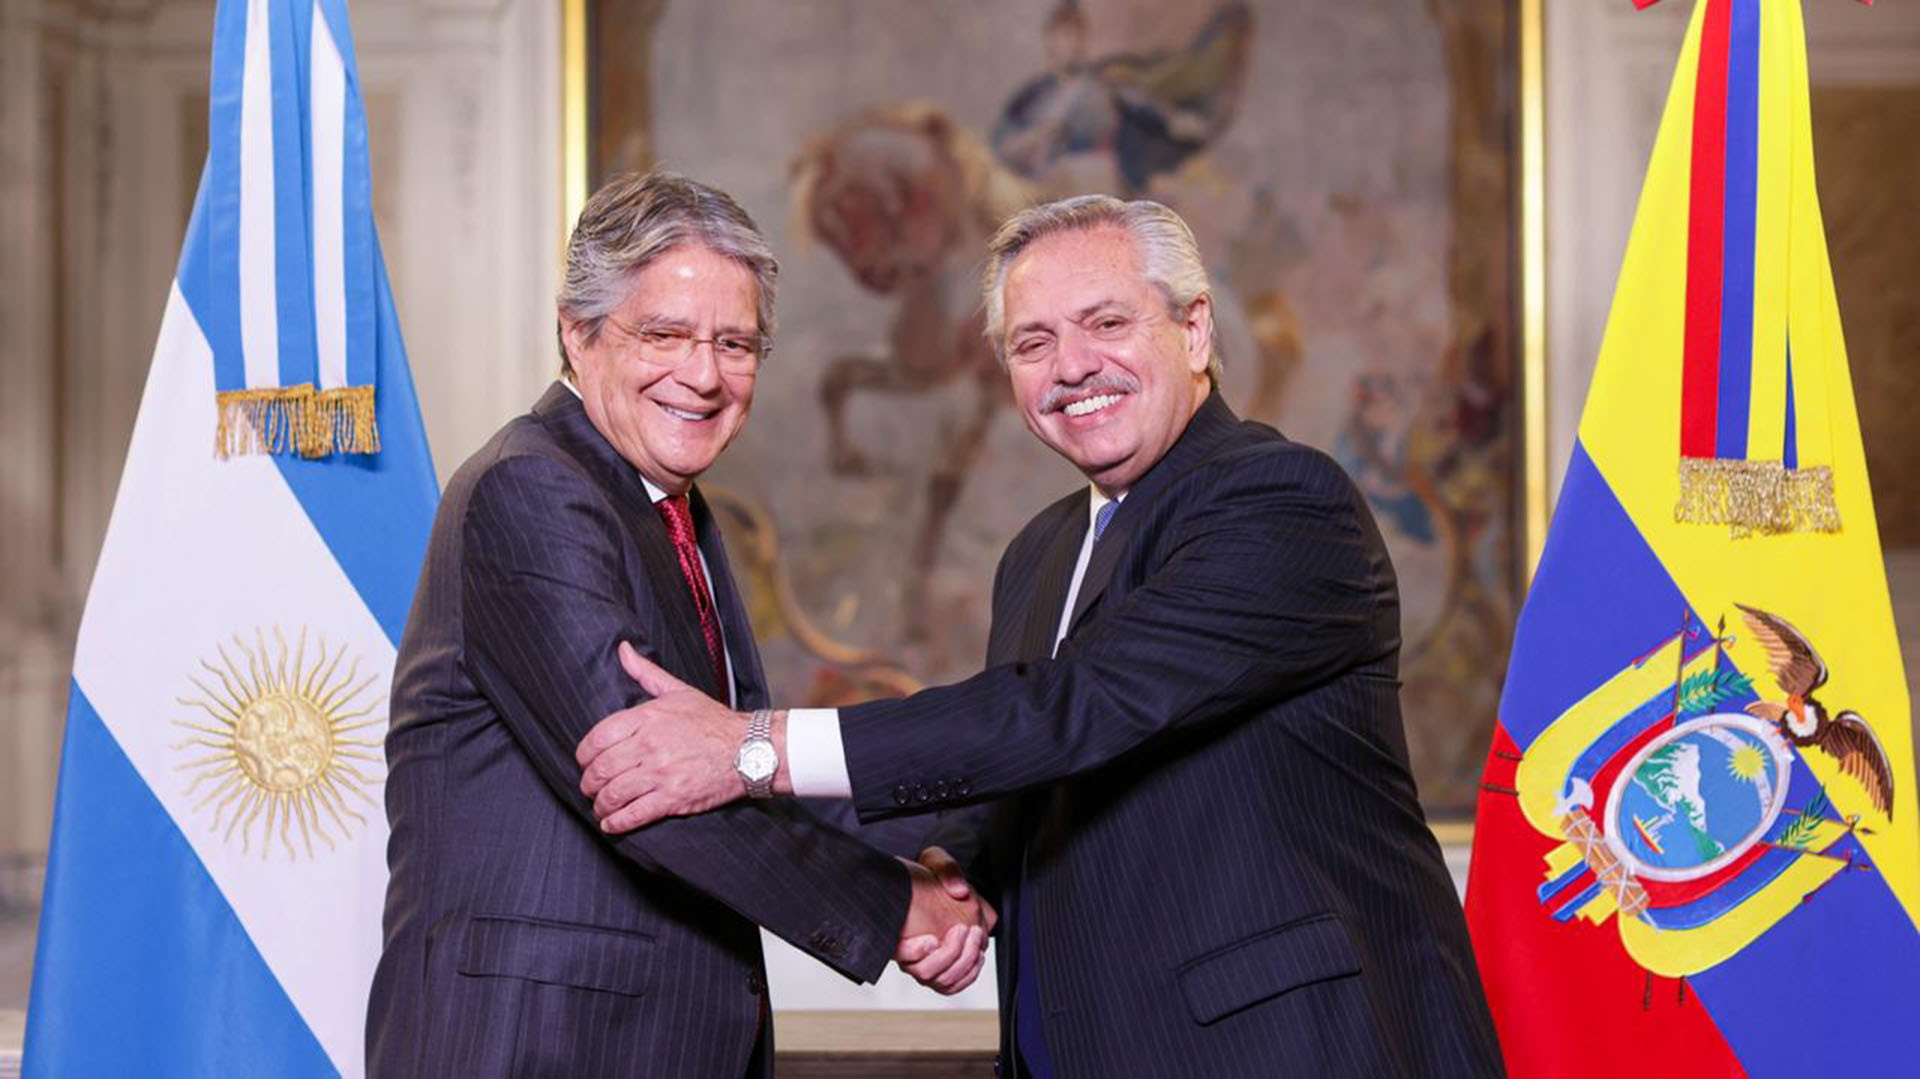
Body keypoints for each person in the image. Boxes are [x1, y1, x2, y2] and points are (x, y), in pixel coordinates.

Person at [577, 194, 1505, 1077]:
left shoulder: (1281, 502)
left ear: (1195, 331)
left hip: (1289, 1049)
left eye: (1106, 323)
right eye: (1033, 341)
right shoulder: (1041, 550)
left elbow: (1076, 708)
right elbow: (1026, 765)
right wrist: (948, 869)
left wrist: (751, 748)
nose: (1071, 367)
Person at [367, 170, 990, 1079]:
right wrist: (898, 905)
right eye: (664, 334)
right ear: (576, 336)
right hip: (533, 1048)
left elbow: (733, 770)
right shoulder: (531, 488)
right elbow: (648, 792)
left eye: (734, 344)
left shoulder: (672, 510)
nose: (702, 376)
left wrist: (943, 853)